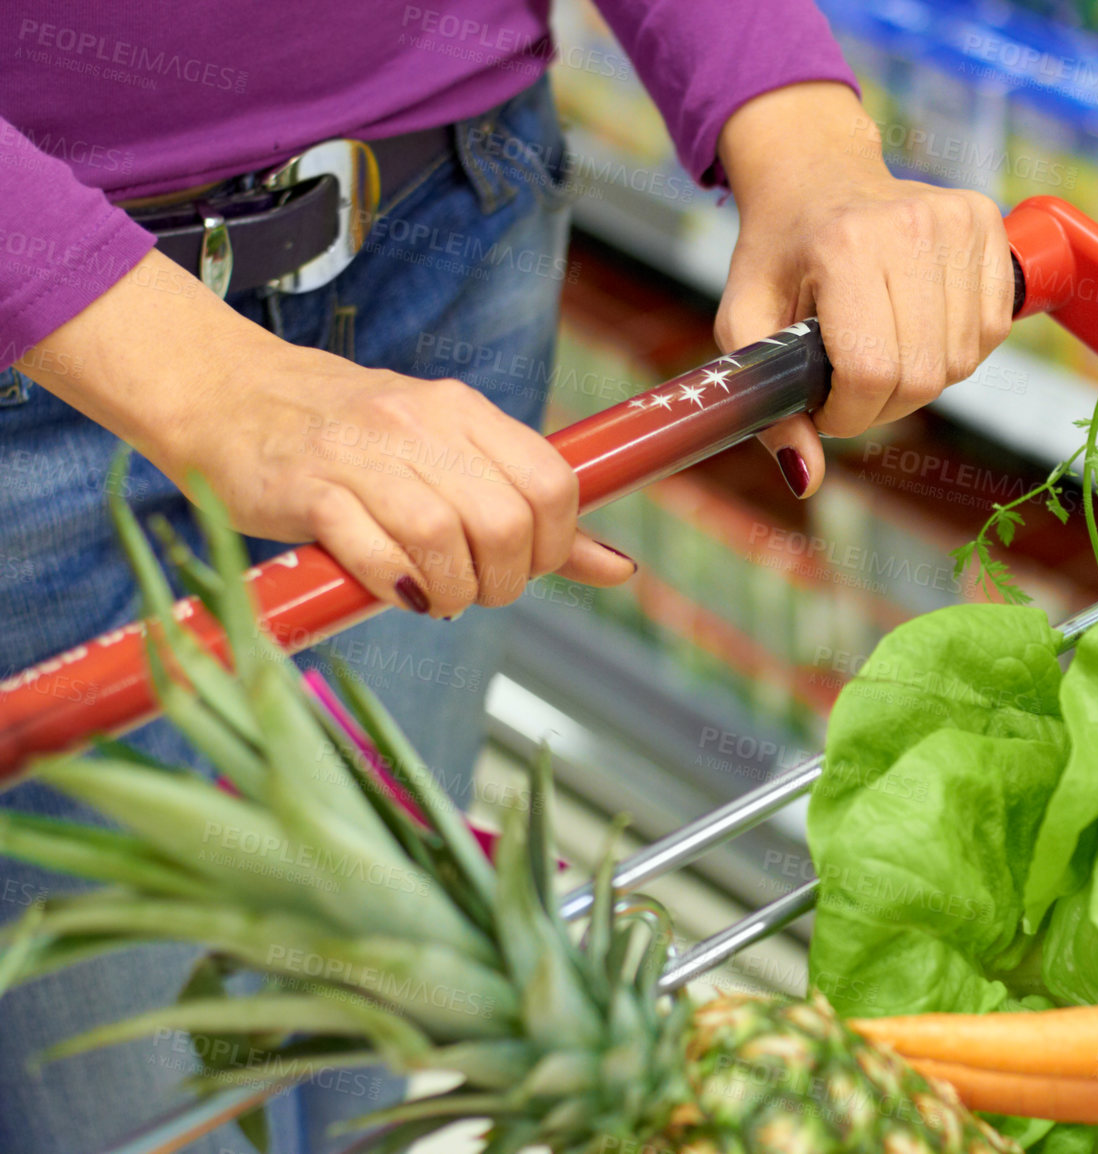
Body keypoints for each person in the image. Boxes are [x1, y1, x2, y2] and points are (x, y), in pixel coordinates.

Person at [0, 2, 1012, 1150]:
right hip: (40, 344)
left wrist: (799, 128)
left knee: (379, 991)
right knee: (129, 1085)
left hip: (451, 211)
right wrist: (204, 380)